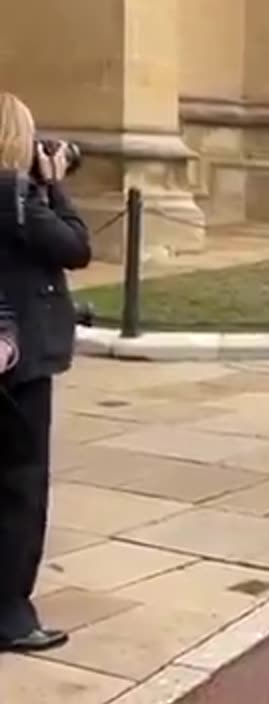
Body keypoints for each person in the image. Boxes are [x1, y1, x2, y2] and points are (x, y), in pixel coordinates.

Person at [0, 92, 92, 653]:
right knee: (20, 488)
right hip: (22, 362)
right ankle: (11, 615)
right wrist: (55, 183)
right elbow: (76, 246)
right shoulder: (15, 199)